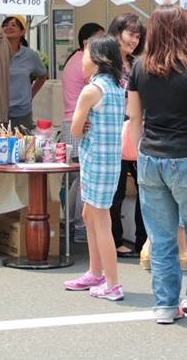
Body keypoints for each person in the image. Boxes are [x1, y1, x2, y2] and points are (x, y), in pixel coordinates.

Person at [127, 5, 187, 329]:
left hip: (149, 160)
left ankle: (166, 306)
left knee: (162, 237)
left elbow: (134, 118)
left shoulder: (139, 68)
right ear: (186, 30)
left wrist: (141, 155)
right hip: (186, 158)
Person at [63, 35, 127, 301]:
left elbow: (75, 129)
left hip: (95, 163)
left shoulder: (91, 90)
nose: (82, 59)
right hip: (109, 161)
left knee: (100, 222)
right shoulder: (116, 86)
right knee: (91, 216)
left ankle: (112, 284)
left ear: (98, 59)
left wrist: (84, 121)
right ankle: (95, 272)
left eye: (87, 54)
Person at [60, 22, 105, 243]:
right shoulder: (84, 62)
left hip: (70, 122)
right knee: (82, 178)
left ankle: (67, 220)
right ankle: (79, 225)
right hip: (80, 123)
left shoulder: (72, 60)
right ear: (87, 41)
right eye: (100, 37)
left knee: (75, 178)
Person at [108, 13, 147, 258]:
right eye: (130, 34)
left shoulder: (136, 64)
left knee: (145, 189)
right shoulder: (105, 63)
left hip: (137, 131)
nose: (134, 40)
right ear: (117, 32)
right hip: (113, 134)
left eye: (138, 36)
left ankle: (143, 240)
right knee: (116, 191)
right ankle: (114, 239)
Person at [2, 15, 47, 132]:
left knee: (24, 147)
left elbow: (42, 76)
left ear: (23, 31)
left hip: (23, 113)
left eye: (13, 25)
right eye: (5, 25)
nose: (8, 28)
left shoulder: (30, 55)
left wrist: (30, 95)